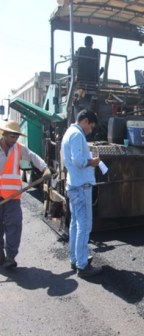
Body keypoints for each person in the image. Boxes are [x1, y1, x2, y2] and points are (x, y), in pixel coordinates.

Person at [0, 121, 51, 268]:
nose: (14, 139)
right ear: (4, 134)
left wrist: (45, 168)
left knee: (14, 226)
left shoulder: (18, 149)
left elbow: (32, 156)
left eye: (16, 136)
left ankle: (10, 256)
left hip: (13, 197)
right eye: (11, 136)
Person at [61, 110, 103, 278]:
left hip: (73, 184)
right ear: (85, 121)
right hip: (81, 186)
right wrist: (92, 162)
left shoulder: (68, 133)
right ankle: (83, 266)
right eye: (91, 127)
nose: (90, 131)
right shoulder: (78, 135)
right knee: (84, 225)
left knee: (75, 224)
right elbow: (78, 161)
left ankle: (75, 259)